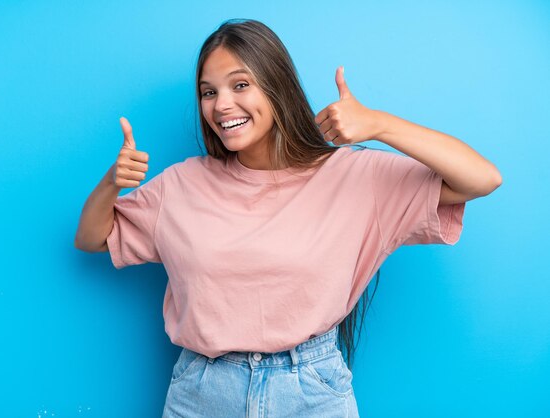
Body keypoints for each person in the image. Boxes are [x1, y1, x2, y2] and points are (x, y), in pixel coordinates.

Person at [74, 18, 501, 418]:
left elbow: (482, 178)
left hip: (311, 392)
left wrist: (378, 125)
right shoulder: (181, 185)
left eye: (240, 84)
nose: (222, 105)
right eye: (209, 92)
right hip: (202, 393)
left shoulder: (354, 177)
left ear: (277, 87)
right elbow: (93, 238)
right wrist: (112, 183)